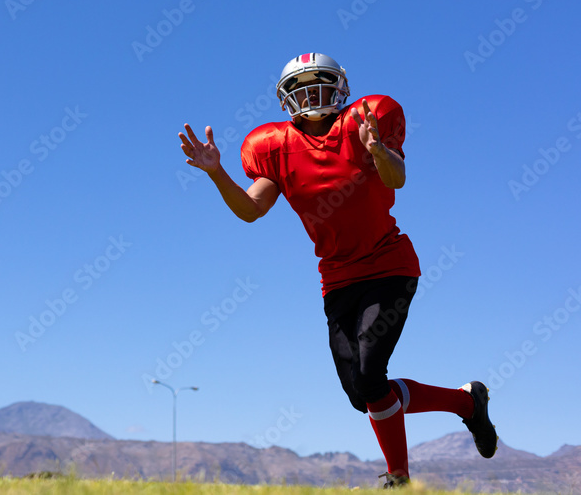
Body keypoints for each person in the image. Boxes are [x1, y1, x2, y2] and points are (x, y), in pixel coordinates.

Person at [179, 53, 498, 488]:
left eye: (320, 84)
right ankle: (466, 403)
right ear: (284, 98)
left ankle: (398, 478)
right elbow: (251, 210)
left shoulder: (366, 121)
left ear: (340, 88)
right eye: (301, 87)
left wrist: (378, 150)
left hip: (389, 264)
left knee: (370, 376)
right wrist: (217, 173)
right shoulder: (272, 147)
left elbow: (396, 178)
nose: (311, 94)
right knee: (363, 394)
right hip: (337, 278)